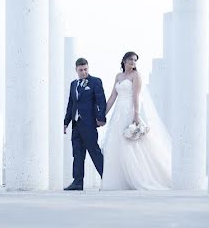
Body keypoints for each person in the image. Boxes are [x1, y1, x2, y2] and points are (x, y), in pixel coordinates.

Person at [100, 51, 172, 190]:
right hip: (118, 113)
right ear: (124, 61)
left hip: (129, 110)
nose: (133, 62)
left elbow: (136, 96)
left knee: (132, 144)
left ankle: (140, 177)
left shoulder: (136, 75)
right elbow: (112, 97)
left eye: (135, 60)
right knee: (116, 144)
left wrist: (136, 115)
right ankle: (121, 181)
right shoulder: (118, 76)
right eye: (131, 60)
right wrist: (102, 115)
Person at [63, 58, 107, 191]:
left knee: (94, 152)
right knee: (77, 153)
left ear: (88, 68)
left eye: (85, 69)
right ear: (76, 70)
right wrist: (66, 122)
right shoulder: (73, 84)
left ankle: (107, 179)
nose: (83, 72)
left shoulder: (95, 82)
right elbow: (71, 104)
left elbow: (101, 101)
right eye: (81, 70)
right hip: (76, 125)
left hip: (89, 123)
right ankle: (77, 182)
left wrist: (101, 118)